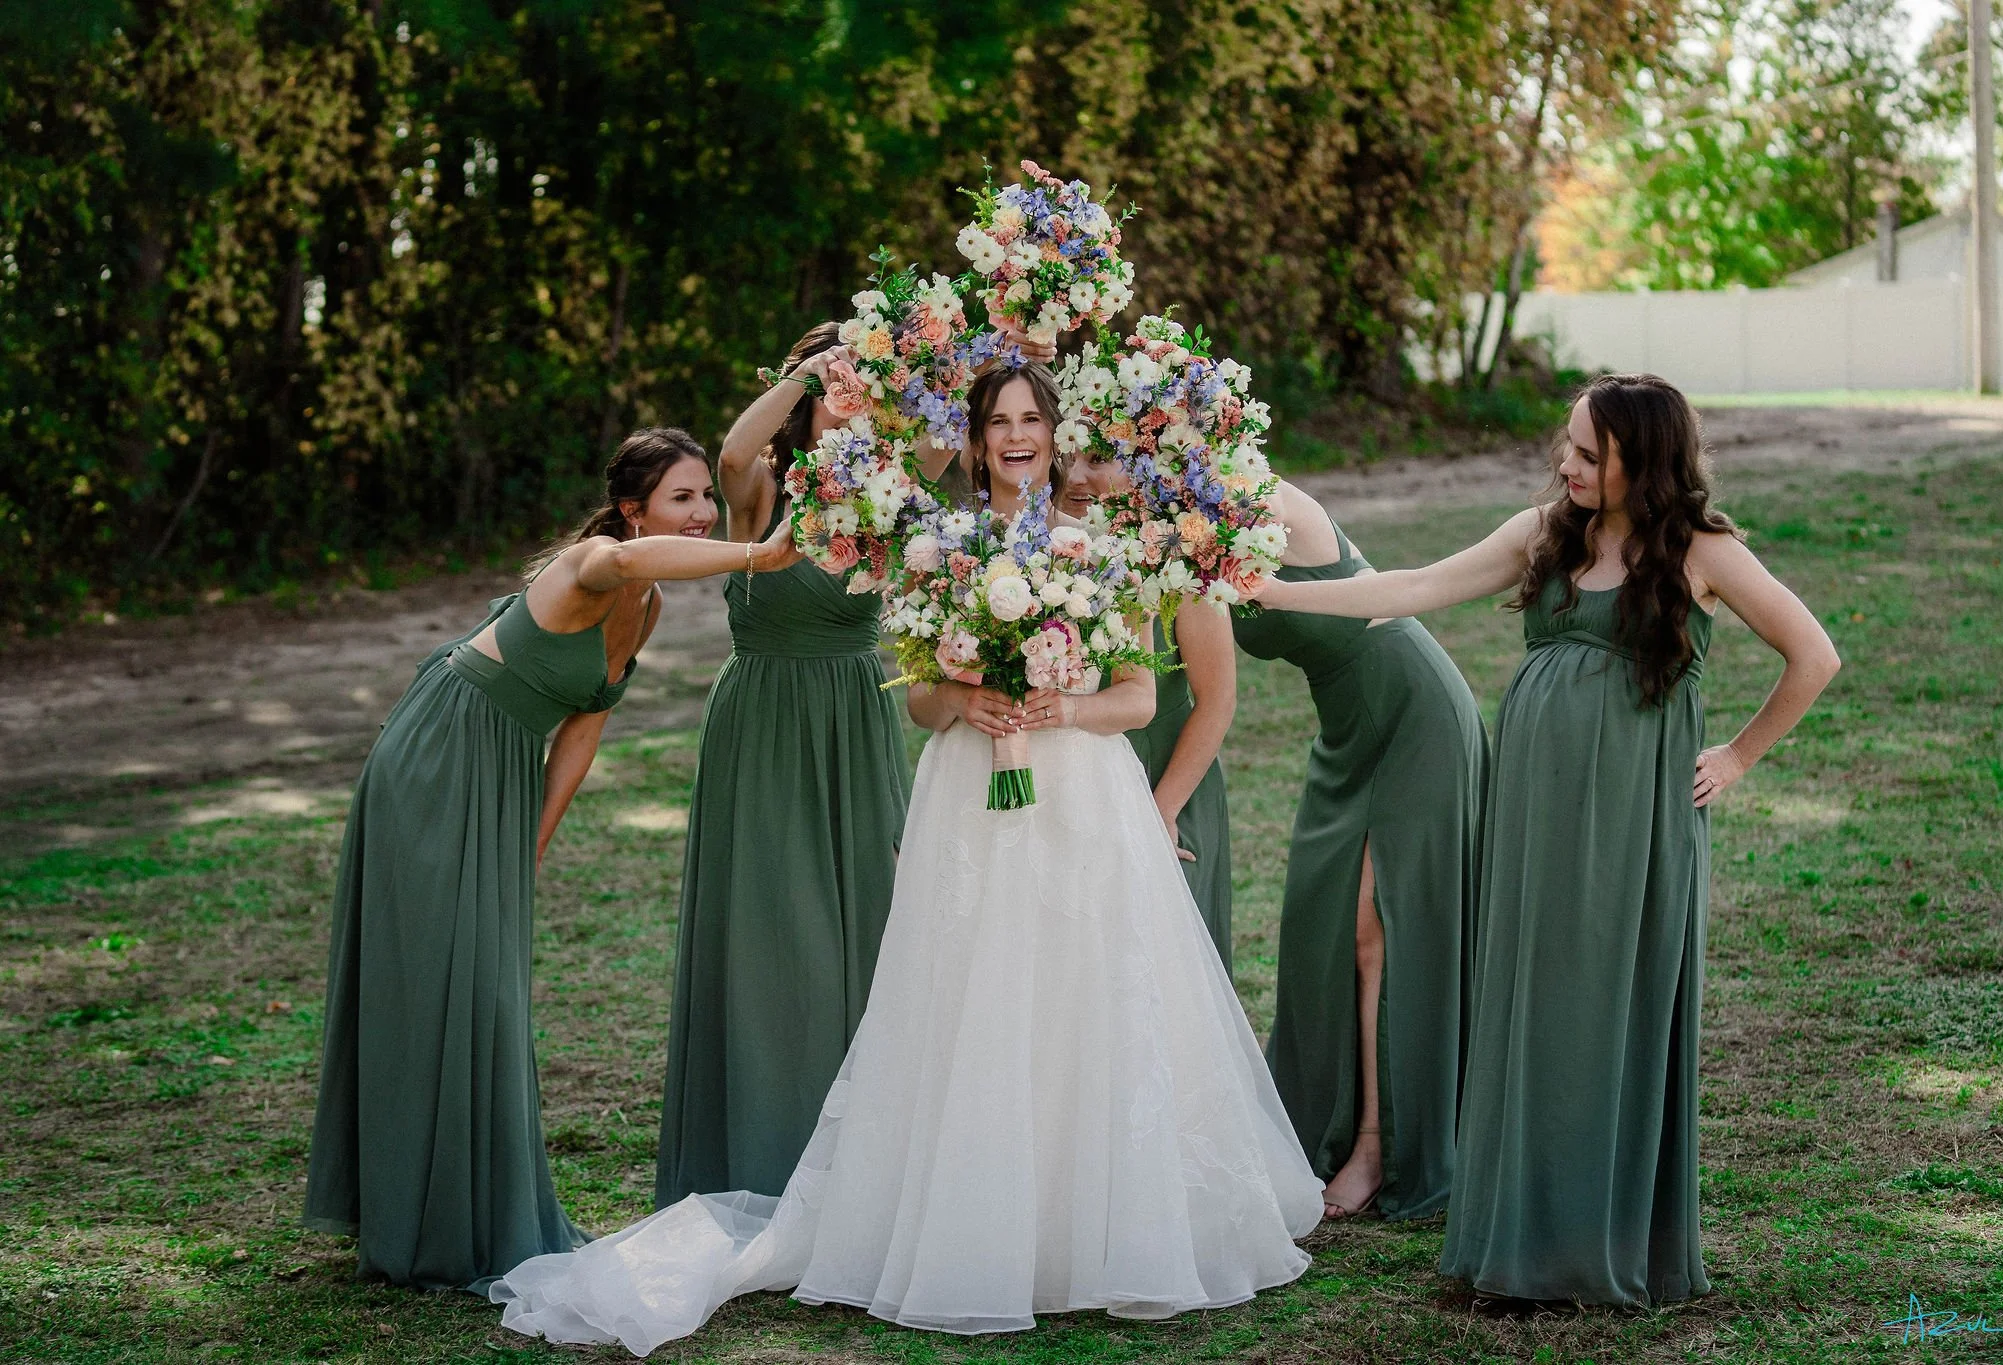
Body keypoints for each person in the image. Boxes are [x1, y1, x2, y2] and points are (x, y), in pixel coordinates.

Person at [489, 365, 1323, 1352]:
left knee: (1083, 995)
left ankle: (1087, 1221)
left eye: (1030, 422)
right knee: (972, 995)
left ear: (1053, 436)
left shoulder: (1106, 544)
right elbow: (919, 698)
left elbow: (1138, 698)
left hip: (1082, 795)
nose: (1014, 438)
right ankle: (973, 1219)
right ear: (971, 443)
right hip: (968, 792)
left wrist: (1061, 705)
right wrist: (962, 701)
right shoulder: (935, 546)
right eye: (995, 423)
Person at [1251, 373, 1840, 1305]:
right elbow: (1414, 586)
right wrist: (1275, 592)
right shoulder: (1544, 533)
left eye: (1588, 454)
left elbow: (1814, 655)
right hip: (1532, 809)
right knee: (1528, 1002)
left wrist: (1736, 755)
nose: (1566, 464)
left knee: (1604, 1005)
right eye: (1565, 445)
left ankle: (1590, 1242)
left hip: (1632, 820)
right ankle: (1515, 1239)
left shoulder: (1702, 551)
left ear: (1641, 462)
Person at [304, 430, 797, 1291]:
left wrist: (529, 841)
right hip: (439, 751)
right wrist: (758, 552)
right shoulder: (593, 563)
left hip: (502, 771)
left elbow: (585, 723)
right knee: (441, 979)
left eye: (704, 497)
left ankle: (450, 1196)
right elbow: (630, 565)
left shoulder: (642, 608)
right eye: (683, 499)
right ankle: (412, 1212)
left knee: (484, 980)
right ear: (635, 509)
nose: (702, 510)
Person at [656, 323, 918, 1208]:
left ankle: (862, 1164)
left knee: (866, 926)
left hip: (855, 721)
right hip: (765, 722)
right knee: (773, 930)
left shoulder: (889, 489)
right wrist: (816, 363)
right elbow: (731, 449)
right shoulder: (761, 484)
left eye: (868, 385)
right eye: (841, 385)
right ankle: (764, 1154)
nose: (856, 400)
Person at [1230, 480, 1488, 1222]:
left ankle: (1377, 1145)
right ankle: (1319, 1118)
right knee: (1325, 919)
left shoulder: (1267, 500)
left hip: (1413, 710)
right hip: (1346, 727)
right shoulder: (1175, 519)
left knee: (1374, 929)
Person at [1059, 446, 1237, 973]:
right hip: (1074, 780)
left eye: (1096, 459)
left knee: (1164, 973)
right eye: (1064, 457)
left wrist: (1161, 811)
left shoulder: (1177, 555)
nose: (1075, 476)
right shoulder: (1040, 547)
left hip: (1166, 779)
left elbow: (1218, 696)